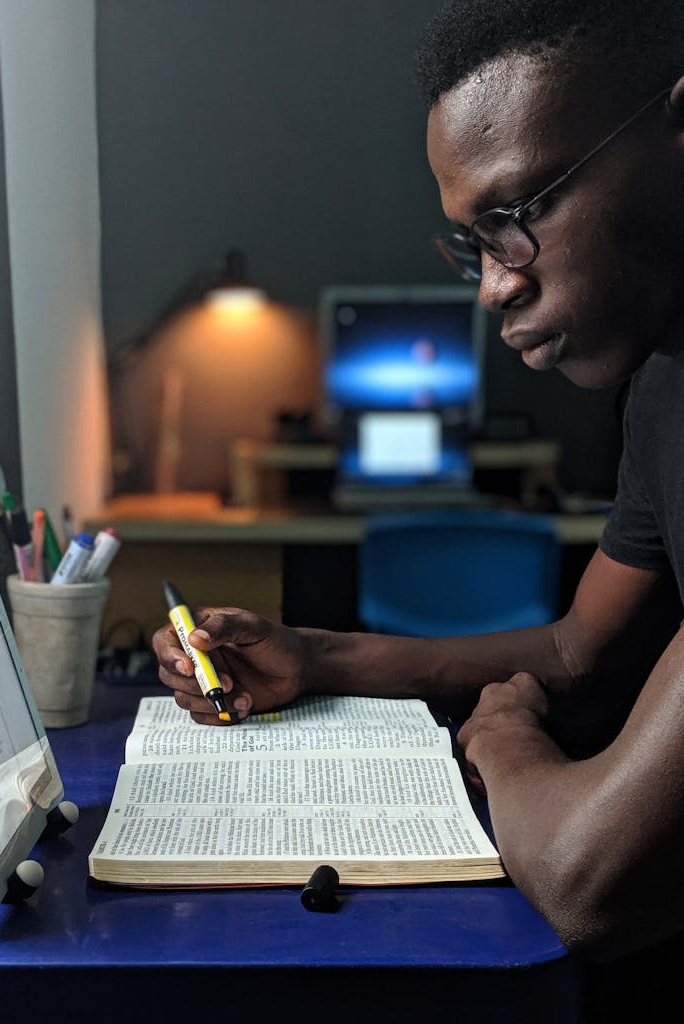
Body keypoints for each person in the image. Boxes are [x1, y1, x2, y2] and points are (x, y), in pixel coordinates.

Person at [153, 0, 684, 982]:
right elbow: (574, 648)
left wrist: (503, 738)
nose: (490, 288)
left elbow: (581, 881)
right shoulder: (660, 386)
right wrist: (310, 655)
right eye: (469, 244)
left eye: (513, 216)